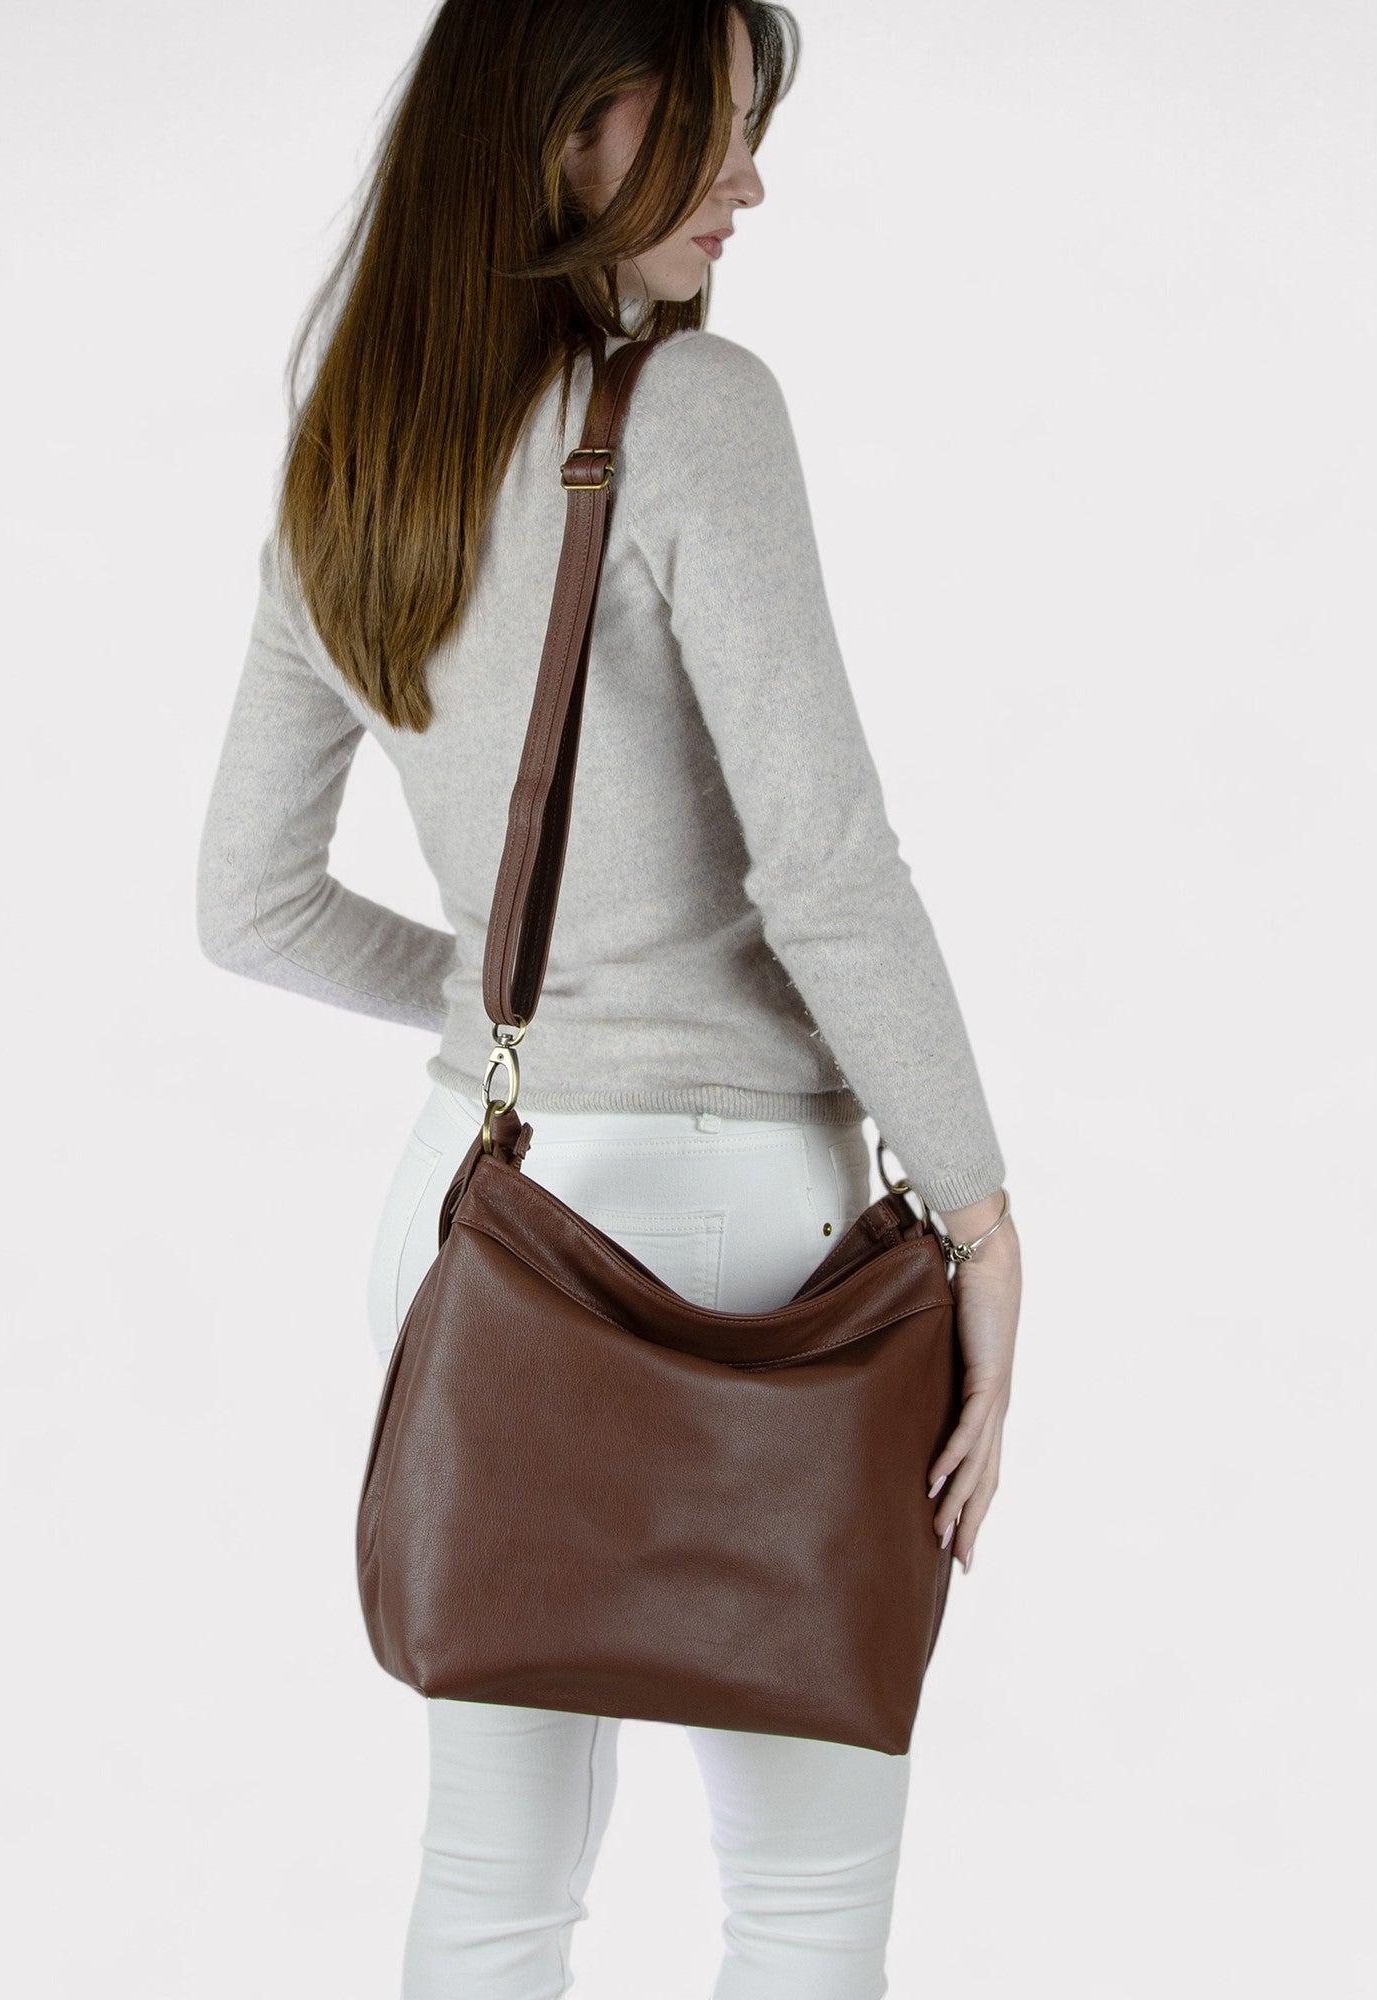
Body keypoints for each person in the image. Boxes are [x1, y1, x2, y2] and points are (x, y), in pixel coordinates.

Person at [196, 2, 1023, 1993]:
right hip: (739, 1228)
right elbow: (824, 869)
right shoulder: (692, 412)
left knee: (494, 1879)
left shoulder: (352, 467)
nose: (751, 180)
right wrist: (982, 1213)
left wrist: (526, 1011)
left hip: (479, 1209)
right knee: (799, 1893)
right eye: (715, 125)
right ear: (579, 122)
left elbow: (249, 906)